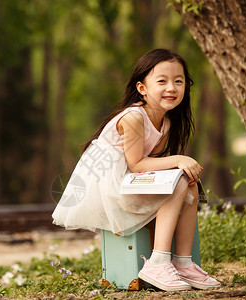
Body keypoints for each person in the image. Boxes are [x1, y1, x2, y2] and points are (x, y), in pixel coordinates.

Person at [52, 49, 220, 291]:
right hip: (111, 190)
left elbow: (147, 167)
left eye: (178, 81)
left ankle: (183, 263)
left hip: (128, 182)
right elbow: (137, 164)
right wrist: (180, 159)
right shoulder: (134, 117)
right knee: (180, 179)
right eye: (162, 81)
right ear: (142, 88)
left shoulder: (167, 122)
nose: (171, 88)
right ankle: (158, 262)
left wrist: (179, 166)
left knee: (188, 180)